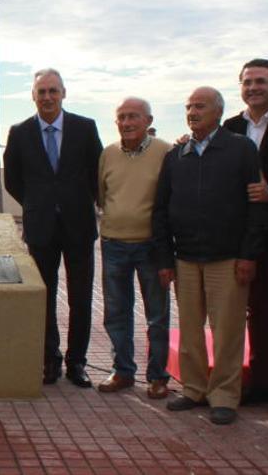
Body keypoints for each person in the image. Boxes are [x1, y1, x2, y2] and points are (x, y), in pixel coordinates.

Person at [154, 86, 265, 425]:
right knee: (189, 330)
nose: (192, 112)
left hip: (228, 258)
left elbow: (256, 207)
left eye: (200, 106)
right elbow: (160, 210)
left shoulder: (241, 149)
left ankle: (224, 397)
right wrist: (164, 258)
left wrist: (249, 255)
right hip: (185, 258)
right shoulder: (176, 156)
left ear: (218, 112)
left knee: (227, 331)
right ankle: (193, 390)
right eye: (188, 106)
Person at [3, 68, 103, 388]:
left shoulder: (85, 128)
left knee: (81, 297)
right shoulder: (19, 133)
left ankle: (77, 362)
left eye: (53, 91)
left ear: (63, 93)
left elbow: (96, 173)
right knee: (44, 296)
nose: (47, 97)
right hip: (41, 227)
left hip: (79, 226)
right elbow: (13, 180)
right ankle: (51, 359)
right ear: (33, 96)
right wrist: (38, 203)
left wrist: (75, 201)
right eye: (41, 92)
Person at [96, 97, 171, 399]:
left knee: (157, 316)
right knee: (116, 313)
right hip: (113, 243)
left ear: (148, 121)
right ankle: (123, 371)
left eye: (133, 117)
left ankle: (157, 377)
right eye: (121, 117)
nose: (126, 123)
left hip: (151, 246)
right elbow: (103, 195)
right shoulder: (108, 154)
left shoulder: (166, 152)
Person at [222, 58, 268, 402]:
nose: (253, 87)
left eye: (261, 81)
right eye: (247, 82)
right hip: (244, 237)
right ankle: (259, 384)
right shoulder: (230, 127)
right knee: (252, 311)